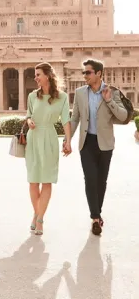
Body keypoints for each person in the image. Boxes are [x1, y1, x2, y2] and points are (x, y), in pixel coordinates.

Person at [67, 59, 127, 235]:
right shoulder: (79, 93)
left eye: (88, 72)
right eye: (84, 72)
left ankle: (97, 213)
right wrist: (67, 139)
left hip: (105, 144)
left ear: (99, 73)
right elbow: (75, 118)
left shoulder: (112, 91)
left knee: (101, 181)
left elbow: (123, 116)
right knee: (90, 179)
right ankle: (95, 217)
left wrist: (109, 101)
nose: (84, 75)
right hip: (87, 143)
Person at [25, 62, 72, 235]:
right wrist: (29, 121)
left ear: (48, 76)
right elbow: (28, 115)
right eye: (35, 74)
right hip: (34, 138)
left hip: (50, 138)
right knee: (33, 180)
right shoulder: (32, 96)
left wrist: (68, 140)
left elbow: (66, 120)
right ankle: (37, 213)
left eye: (38, 74)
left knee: (47, 180)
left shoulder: (63, 97)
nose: (35, 78)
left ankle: (40, 220)